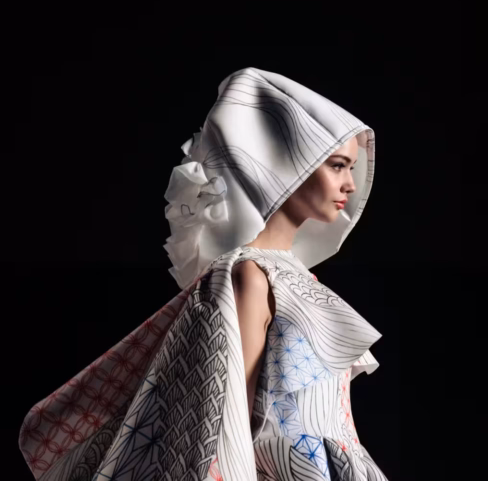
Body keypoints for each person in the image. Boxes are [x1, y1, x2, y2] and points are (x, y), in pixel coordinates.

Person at [18, 67, 387, 481]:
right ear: (289, 164)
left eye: (350, 168)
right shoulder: (250, 275)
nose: (349, 185)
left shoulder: (296, 279)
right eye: (337, 166)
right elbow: (232, 422)